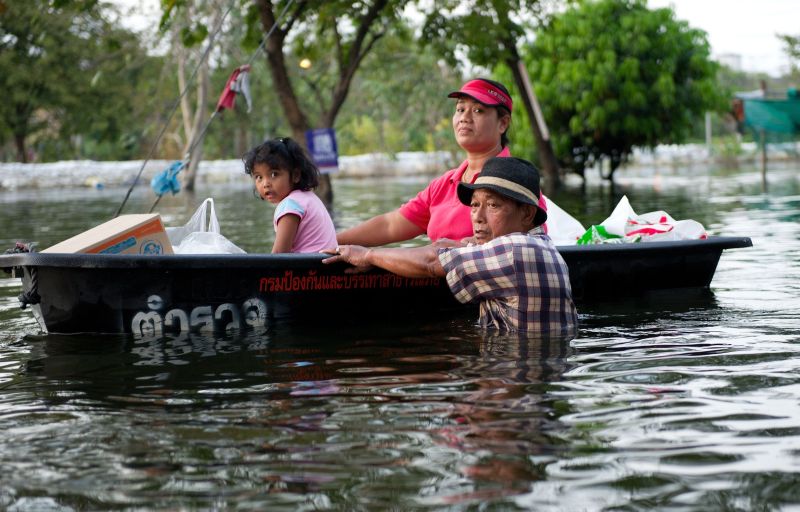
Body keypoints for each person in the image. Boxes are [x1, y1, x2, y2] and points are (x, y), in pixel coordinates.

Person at [324, 157, 577, 334]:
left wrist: (367, 255)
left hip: (512, 385)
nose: (477, 216)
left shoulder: (514, 251)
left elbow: (431, 263)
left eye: (493, 205)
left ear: (526, 214)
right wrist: (462, 247)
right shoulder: (541, 245)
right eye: (475, 204)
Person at [336, 77, 549, 247]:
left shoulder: (516, 181)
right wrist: (329, 243)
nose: (465, 117)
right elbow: (390, 225)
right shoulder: (444, 183)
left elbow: (534, 246)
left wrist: (370, 257)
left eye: (478, 110)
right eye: (460, 109)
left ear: (502, 123)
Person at [243, 137, 337, 253]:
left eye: (274, 174)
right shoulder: (309, 197)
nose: (265, 184)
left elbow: (279, 256)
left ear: (295, 175)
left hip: (311, 269)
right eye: (259, 177)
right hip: (326, 266)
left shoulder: (290, 206)